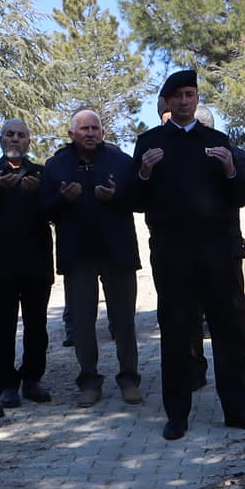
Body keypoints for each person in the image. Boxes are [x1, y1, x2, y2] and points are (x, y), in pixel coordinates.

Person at [131, 70, 245, 440]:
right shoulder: (149, 143)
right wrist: (143, 173)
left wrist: (228, 169)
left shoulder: (219, 141)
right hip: (172, 253)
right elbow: (133, 200)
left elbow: (244, 195)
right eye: (178, 96)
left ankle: (235, 409)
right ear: (167, 103)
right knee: (176, 331)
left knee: (226, 329)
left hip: (218, 252)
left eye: (190, 94)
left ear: (196, 99)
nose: (185, 101)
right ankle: (177, 414)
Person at [40, 109, 141, 406]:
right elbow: (42, 209)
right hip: (78, 255)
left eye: (95, 128)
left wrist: (116, 197)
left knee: (124, 321)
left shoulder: (121, 162)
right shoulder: (56, 165)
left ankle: (129, 378)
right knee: (83, 323)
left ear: (102, 133)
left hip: (117, 252)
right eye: (84, 129)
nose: (90, 133)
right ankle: (89, 381)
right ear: (71, 134)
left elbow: (140, 201)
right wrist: (63, 199)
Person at [0, 120, 55, 408]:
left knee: (37, 326)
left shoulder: (42, 174)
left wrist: (39, 194)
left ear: (28, 143)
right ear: (0, 139)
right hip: (1, 265)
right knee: (2, 327)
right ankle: (7, 383)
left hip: (37, 263)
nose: (15, 139)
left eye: (21, 135)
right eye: (10, 134)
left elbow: (55, 211)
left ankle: (32, 379)